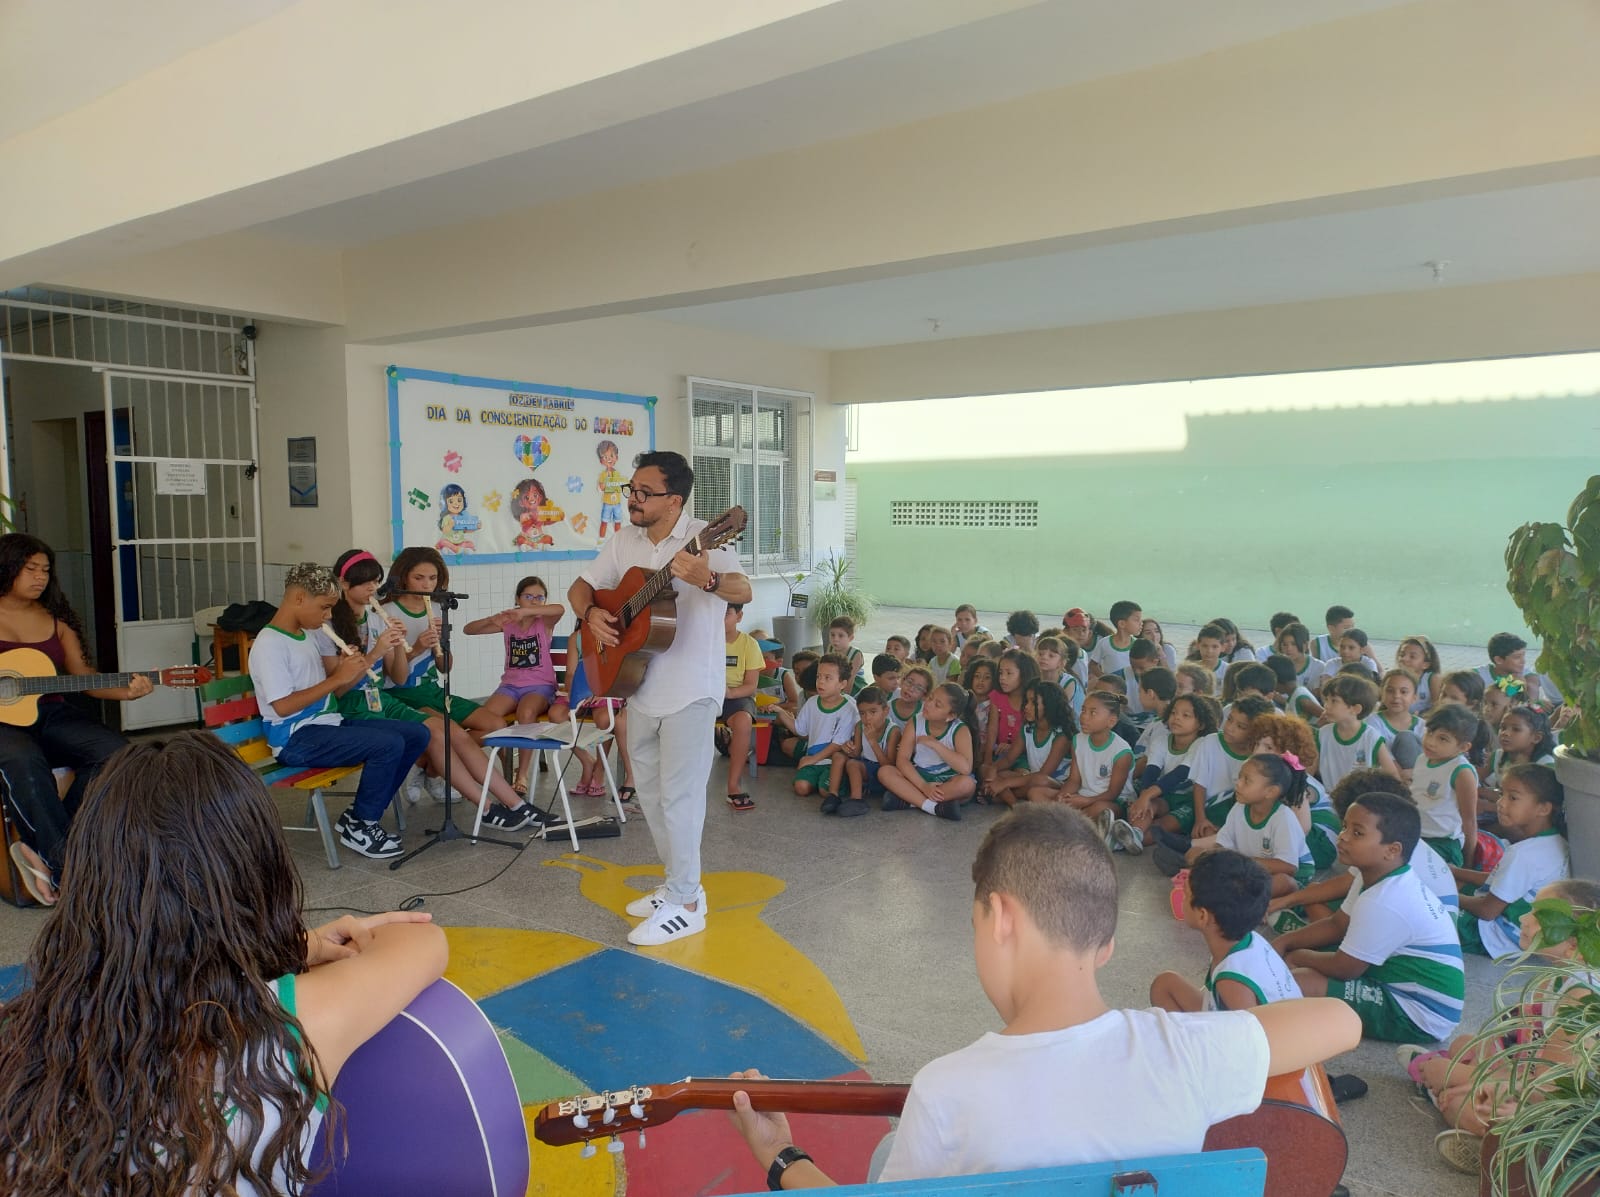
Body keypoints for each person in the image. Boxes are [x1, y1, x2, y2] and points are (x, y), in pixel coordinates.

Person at [727, 805, 1362, 1187]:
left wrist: (779, 1155)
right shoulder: (1185, 1053)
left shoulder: (948, 1089)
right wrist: (1205, 1029)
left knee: (892, 1153)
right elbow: (1340, 1020)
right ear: (1106, 944)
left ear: (999, 917)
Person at [0, 732, 446, 1195]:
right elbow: (423, 939)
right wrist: (291, 945)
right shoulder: (285, 1025)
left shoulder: (37, 1033)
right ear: (258, 874)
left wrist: (301, 945)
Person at [568, 450, 751, 946]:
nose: (633, 499)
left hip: (691, 690)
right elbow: (582, 587)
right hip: (638, 686)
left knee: (681, 799)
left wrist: (707, 579)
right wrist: (591, 617)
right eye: (630, 490)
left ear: (673, 500)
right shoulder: (624, 538)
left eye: (643, 493)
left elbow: (742, 589)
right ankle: (677, 887)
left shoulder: (702, 538)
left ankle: (688, 903)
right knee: (649, 796)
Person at [320, 550, 542, 831]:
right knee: (440, 731)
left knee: (450, 730)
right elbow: (338, 691)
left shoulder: (377, 619)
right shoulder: (330, 626)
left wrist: (400, 645)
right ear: (343, 584)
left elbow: (399, 674)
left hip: (382, 700)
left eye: (376, 582)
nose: (373, 589)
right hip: (354, 707)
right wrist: (379, 651)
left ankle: (516, 805)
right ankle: (486, 808)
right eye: (365, 583)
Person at [1403, 878, 1600, 1174]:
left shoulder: (1581, 998)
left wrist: (1478, 1085)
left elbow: (1552, 1091)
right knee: (1463, 1045)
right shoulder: (1556, 977)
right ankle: (1446, 1089)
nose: (1523, 917)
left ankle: (1499, 1151)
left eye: (1538, 913)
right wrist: (1483, 1073)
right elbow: (1525, 1049)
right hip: (1528, 1073)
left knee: (1465, 1102)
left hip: (1561, 1111)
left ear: (1573, 944)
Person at [0, 534, 149, 906]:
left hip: (50, 712)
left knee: (116, 752)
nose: (39, 578)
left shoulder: (56, 622)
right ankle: (69, 869)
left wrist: (127, 691)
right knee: (24, 762)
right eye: (29, 568)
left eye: (45, 571)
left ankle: (47, 848)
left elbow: (84, 676)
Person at [247, 563, 431, 859]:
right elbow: (283, 705)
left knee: (416, 734)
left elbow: (327, 687)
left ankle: (358, 816)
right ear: (298, 600)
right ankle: (362, 825)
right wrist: (337, 679)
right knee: (388, 744)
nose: (329, 616)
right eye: (324, 608)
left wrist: (354, 668)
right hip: (295, 738)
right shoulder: (270, 644)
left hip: (326, 725)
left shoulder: (305, 634)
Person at [1277, 792, 1466, 1044]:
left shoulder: (1385, 899)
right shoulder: (1376, 878)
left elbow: (1344, 969)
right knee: (1312, 952)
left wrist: (1298, 955)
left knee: (1303, 980)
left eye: (1357, 833)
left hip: (1419, 1012)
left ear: (1392, 850)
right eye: (1344, 826)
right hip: (1395, 977)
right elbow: (1337, 925)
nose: (1342, 836)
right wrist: (1285, 942)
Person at [1151, 849, 1303, 1012]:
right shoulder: (1250, 939)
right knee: (1164, 985)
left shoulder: (1232, 983)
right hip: (1234, 1021)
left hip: (1255, 1034)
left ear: (1203, 916)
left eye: (1186, 894)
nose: (1182, 897)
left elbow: (1251, 1035)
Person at [1453, 762, 1569, 958]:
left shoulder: (1524, 854)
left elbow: (1487, 910)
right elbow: (1501, 880)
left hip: (1499, 935)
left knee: (1429, 911)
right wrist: (1454, 871)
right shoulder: (1556, 841)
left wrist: (1444, 895)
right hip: (1526, 932)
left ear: (1543, 808)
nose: (1501, 803)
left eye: (1513, 798)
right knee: (1457, 885)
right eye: (1501, 794)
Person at [1193, 754, 1314, 899]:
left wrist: (1242, 864)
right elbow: (1222, 844)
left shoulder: (1283, 818)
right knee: (1195, 854)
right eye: (1239, 777)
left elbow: (1288, 867)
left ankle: (1241, 900)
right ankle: (1237, 897)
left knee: (1282, 882)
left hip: (1293, 877)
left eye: (1247, 781)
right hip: (1250, 869)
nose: (1238, 783)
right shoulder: (1239, 807)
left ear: (1271, 791)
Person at [880, 681, 975, 820]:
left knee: (967, 785)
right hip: (920, 776)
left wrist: (935, 744)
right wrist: (924, 786)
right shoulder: (915, 721)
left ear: (950, 716)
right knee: (885, 772)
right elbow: (902, 760)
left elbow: (965, 768)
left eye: (937, 705)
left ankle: (909, 800)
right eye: (930, 698)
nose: (929, 704)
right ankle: (934, 807)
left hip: (947, 780)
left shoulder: (960, 730)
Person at [1411, 703, 1481, 867]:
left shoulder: (1461, 772)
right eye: (1430, 732)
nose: (1430, 742)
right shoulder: (1422, 759)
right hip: (1415, 834)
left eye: (1443, 738)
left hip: (1443, 842)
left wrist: (1468, 864)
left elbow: (1469, 821)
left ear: (1463, 747)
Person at [993, 678, 1074, 807]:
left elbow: (1044, 774)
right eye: (1027, 701)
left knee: (1036, 784)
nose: (1026, 706)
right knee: (995, 774)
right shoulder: (1027, 728)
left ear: (1049, 706)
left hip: (1055, 784)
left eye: (1033, 703)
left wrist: (1005, 783)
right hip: (1032, 777)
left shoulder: (1061, 735)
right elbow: (1009, 760)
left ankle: (1005, 798)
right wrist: (992, 771)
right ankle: (1013, 802)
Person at [794, 654, 859, 809]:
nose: (820, 682)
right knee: (801, 788)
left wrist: (811, 760)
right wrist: (779, 712)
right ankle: (816, 778)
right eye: (819, 676)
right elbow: (800, 730)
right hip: (814, 758)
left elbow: (838, 743)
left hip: (832, 761)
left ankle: (836, 784)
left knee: (825, 791)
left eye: (828, 678)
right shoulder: (811, 702)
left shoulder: (849, 706)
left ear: (842, 684)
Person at [1315, 675, 1399, 793]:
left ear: (1355, 709)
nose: (1326, 706)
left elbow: (1392, 775)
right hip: (1330, 800)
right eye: (1326, 700)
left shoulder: (1371, 737)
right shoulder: (1323, 734)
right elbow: (1310, 768)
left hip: (1363, 801)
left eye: (1334, 701)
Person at [844, 686, 898, 815]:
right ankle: (856, 799)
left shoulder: (893, 731)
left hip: (884, 772)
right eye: (862, 713)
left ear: (885, 711)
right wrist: (849, 749)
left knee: (885, 772)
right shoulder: (859, 726)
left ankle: (860, 796)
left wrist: (873, 741)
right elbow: (856, 753)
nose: (867, 717)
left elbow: (889, 766)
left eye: (873, 712)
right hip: (866, 768)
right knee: (848, 762)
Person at [1087, 600, 1142, 680]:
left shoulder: (1139, 645)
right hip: (1112, 691)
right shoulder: (1104, 643)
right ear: (1122, 624)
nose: (1141, 623)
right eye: (1137, 620)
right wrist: (1105, 679)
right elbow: (1092, 665)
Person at [1396, 636, 1442, 712]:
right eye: (1402, 655)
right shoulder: (1395, 678)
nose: (1404, 659)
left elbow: (1438, 708)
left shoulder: (1432, 679)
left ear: (1425, 664)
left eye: (1412, 656)